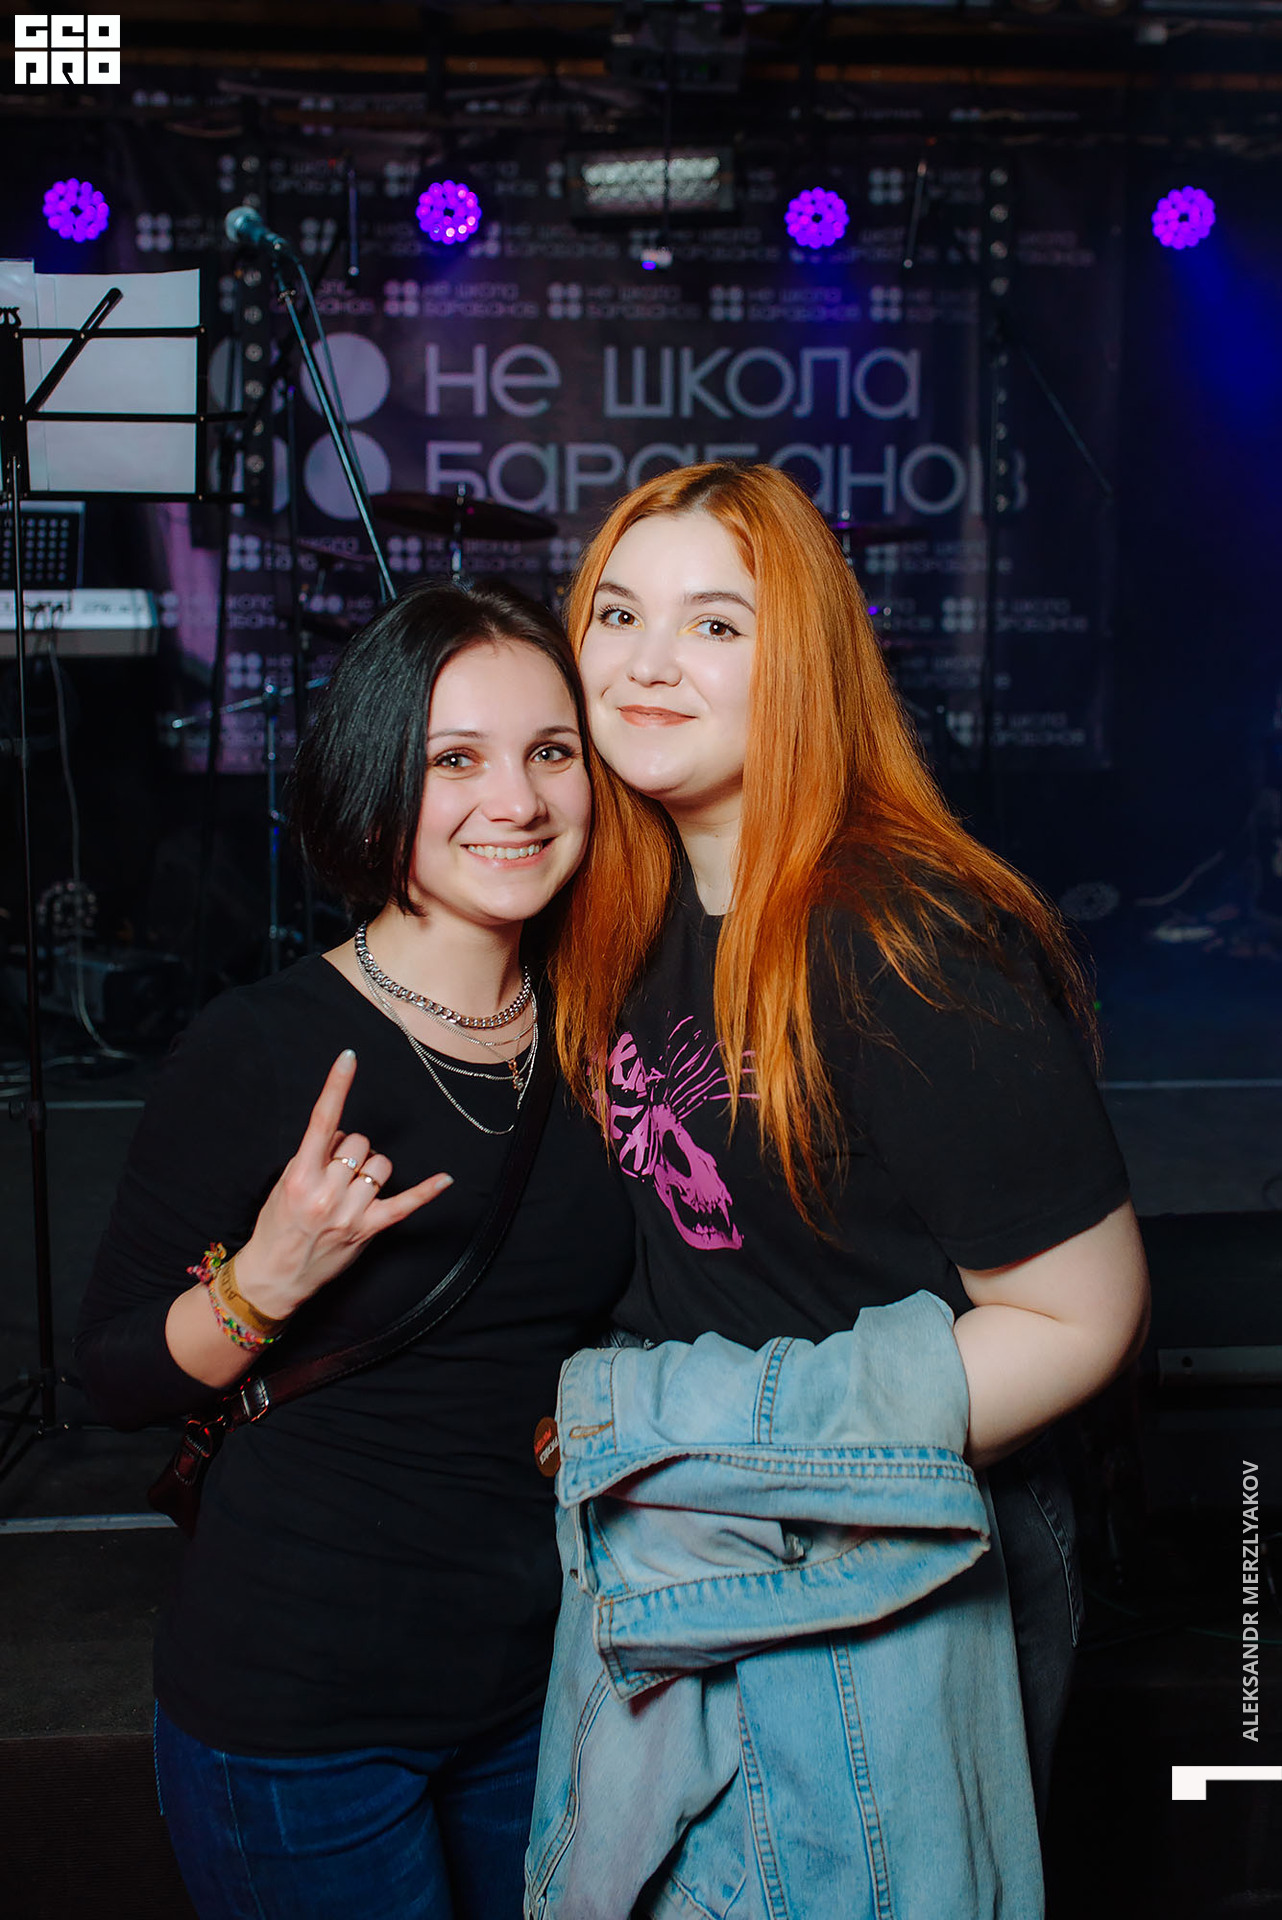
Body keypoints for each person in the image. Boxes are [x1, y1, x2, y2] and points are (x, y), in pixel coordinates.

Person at [539, 462, 1150, 1900]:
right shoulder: (617, 909)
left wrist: (700, 1441)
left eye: (715, 625)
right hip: (700, 1532)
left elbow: (1082, 1315)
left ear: (802, 663)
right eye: (618, 614)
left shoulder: (901, 938)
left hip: (903, 1548)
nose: (645, 663)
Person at [74, 581, 633, 1920]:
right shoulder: (262, 1047)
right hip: (300, 1724)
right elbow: (110, 1374)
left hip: (535, 1692)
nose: (517, 801)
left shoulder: (602, 1034)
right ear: (378, 787)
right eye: (457, 760)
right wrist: (263, 1281)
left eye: (550, 752)